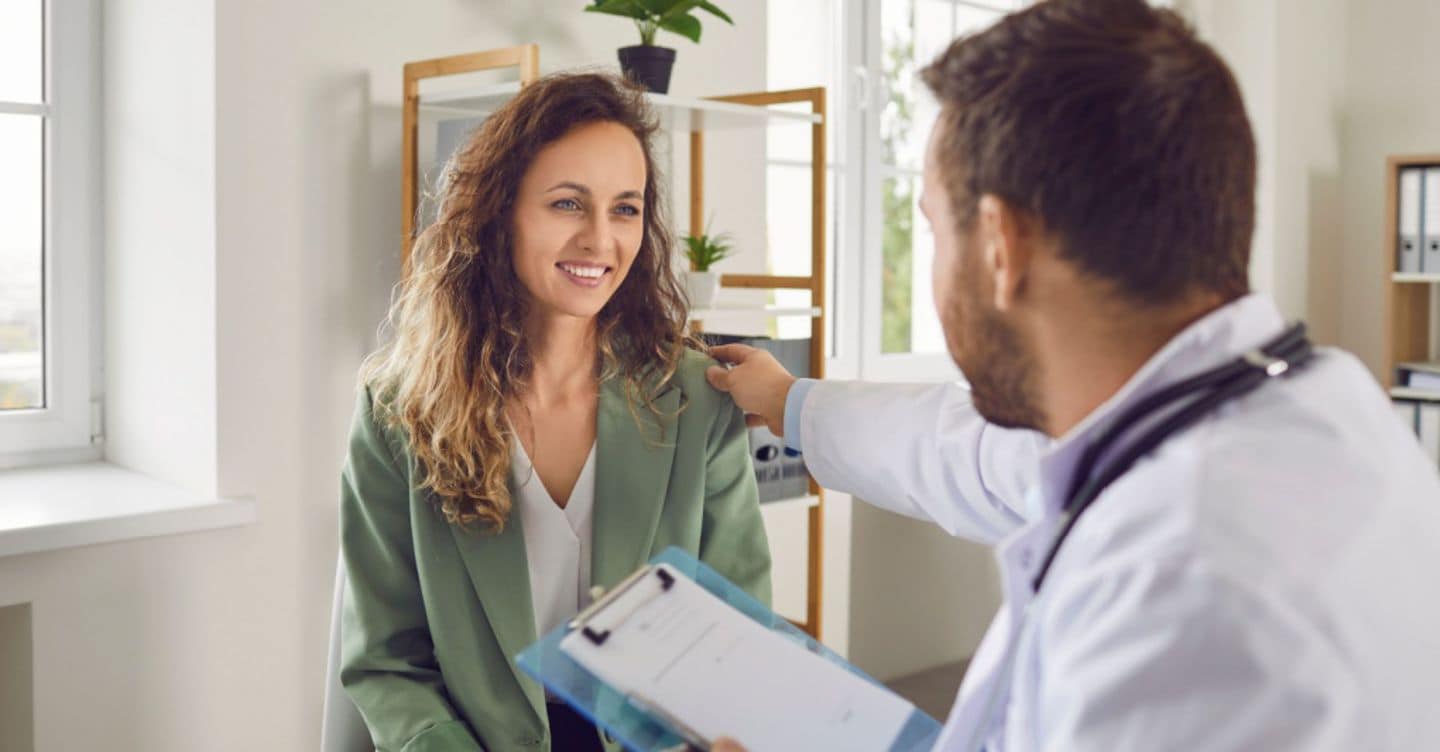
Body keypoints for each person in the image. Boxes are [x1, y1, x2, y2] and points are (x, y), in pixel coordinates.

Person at [707, 0, 1440, 749]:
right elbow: (975, 454)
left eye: (933, 227)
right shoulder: (1307, 405)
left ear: (1001, 245)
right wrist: (794, 404)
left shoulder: (1184, 585)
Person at [338, 72, 771, 752]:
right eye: (569, 204)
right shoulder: (398, 410)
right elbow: (387, 661)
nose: (601, 240)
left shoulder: (696, 400)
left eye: (625, 209)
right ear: (500, 210)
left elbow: (736, 632)